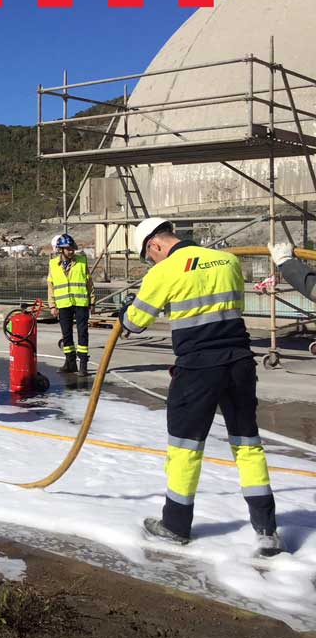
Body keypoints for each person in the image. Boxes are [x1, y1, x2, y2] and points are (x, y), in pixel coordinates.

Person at [125, 218, 282, 556]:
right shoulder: (227, 260)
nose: (150, 262)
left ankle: (176, 525)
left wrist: (128, 311)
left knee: (185, 447)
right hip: (239, 362)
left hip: (197, 368)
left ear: (154, 245)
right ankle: (267, 530)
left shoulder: (164, 272)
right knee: (247, 443)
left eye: (148, 256)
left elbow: (135, 323)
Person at [47, 234, 93, 376]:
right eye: (68, 249)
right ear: (61, 250)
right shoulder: (53, 264)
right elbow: (51, 285)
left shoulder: (82, 261)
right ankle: (70, 363)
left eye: (72, 248)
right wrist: (52, 305)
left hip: (80, 303)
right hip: (63, 304)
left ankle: (83, 365)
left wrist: (92, 301)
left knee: (82, 334)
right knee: (66, 335)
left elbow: (89, 283)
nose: (71, 251)